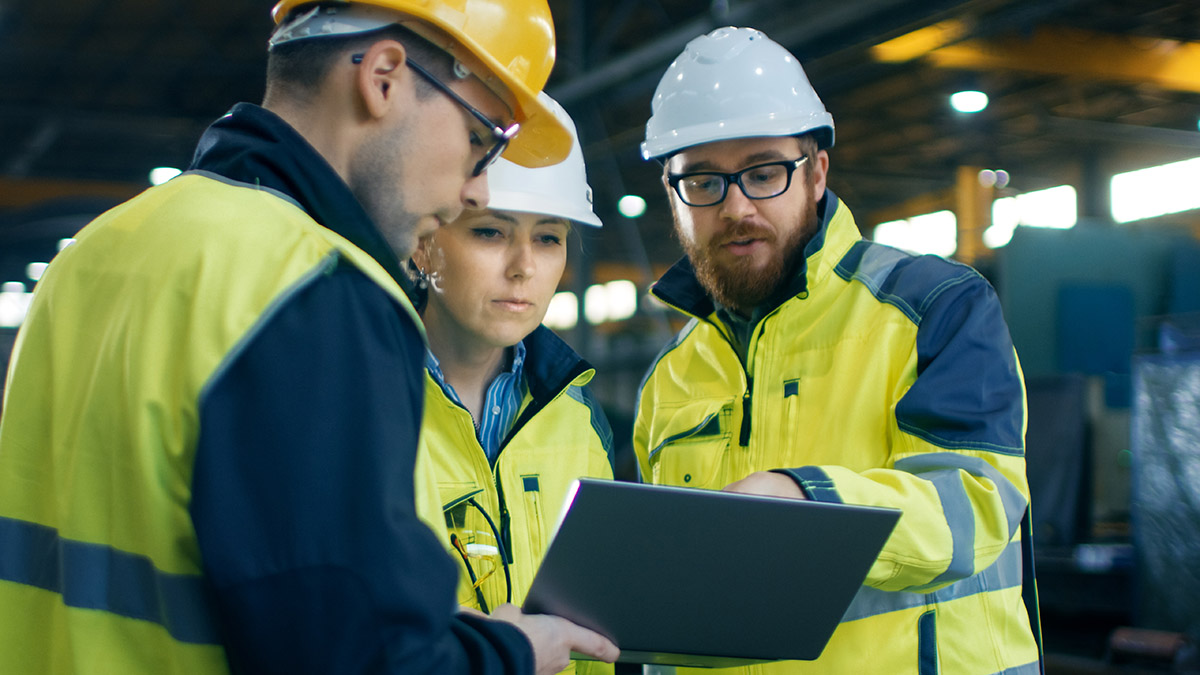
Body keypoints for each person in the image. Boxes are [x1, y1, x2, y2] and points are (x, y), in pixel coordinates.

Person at [0, 1, 618, 673]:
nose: (474, 189)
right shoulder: (316, 287)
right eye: (479, 139)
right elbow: (358, 656)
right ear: (383, 78)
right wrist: (509, 652)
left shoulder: (94, 251)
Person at [632, 26, 1039, 674]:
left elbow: (973, 510)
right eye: (703, 181)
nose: (736, 206)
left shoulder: (936, 307)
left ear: (816, 172)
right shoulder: (671, 378)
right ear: (673, 195)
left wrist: (805, 501)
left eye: (764, 172)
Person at [410, 93, 615, 675]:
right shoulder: (364, 402)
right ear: (426, 244)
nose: (525, 265)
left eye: (549, 239)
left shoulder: (576, 413)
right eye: (492, 233)